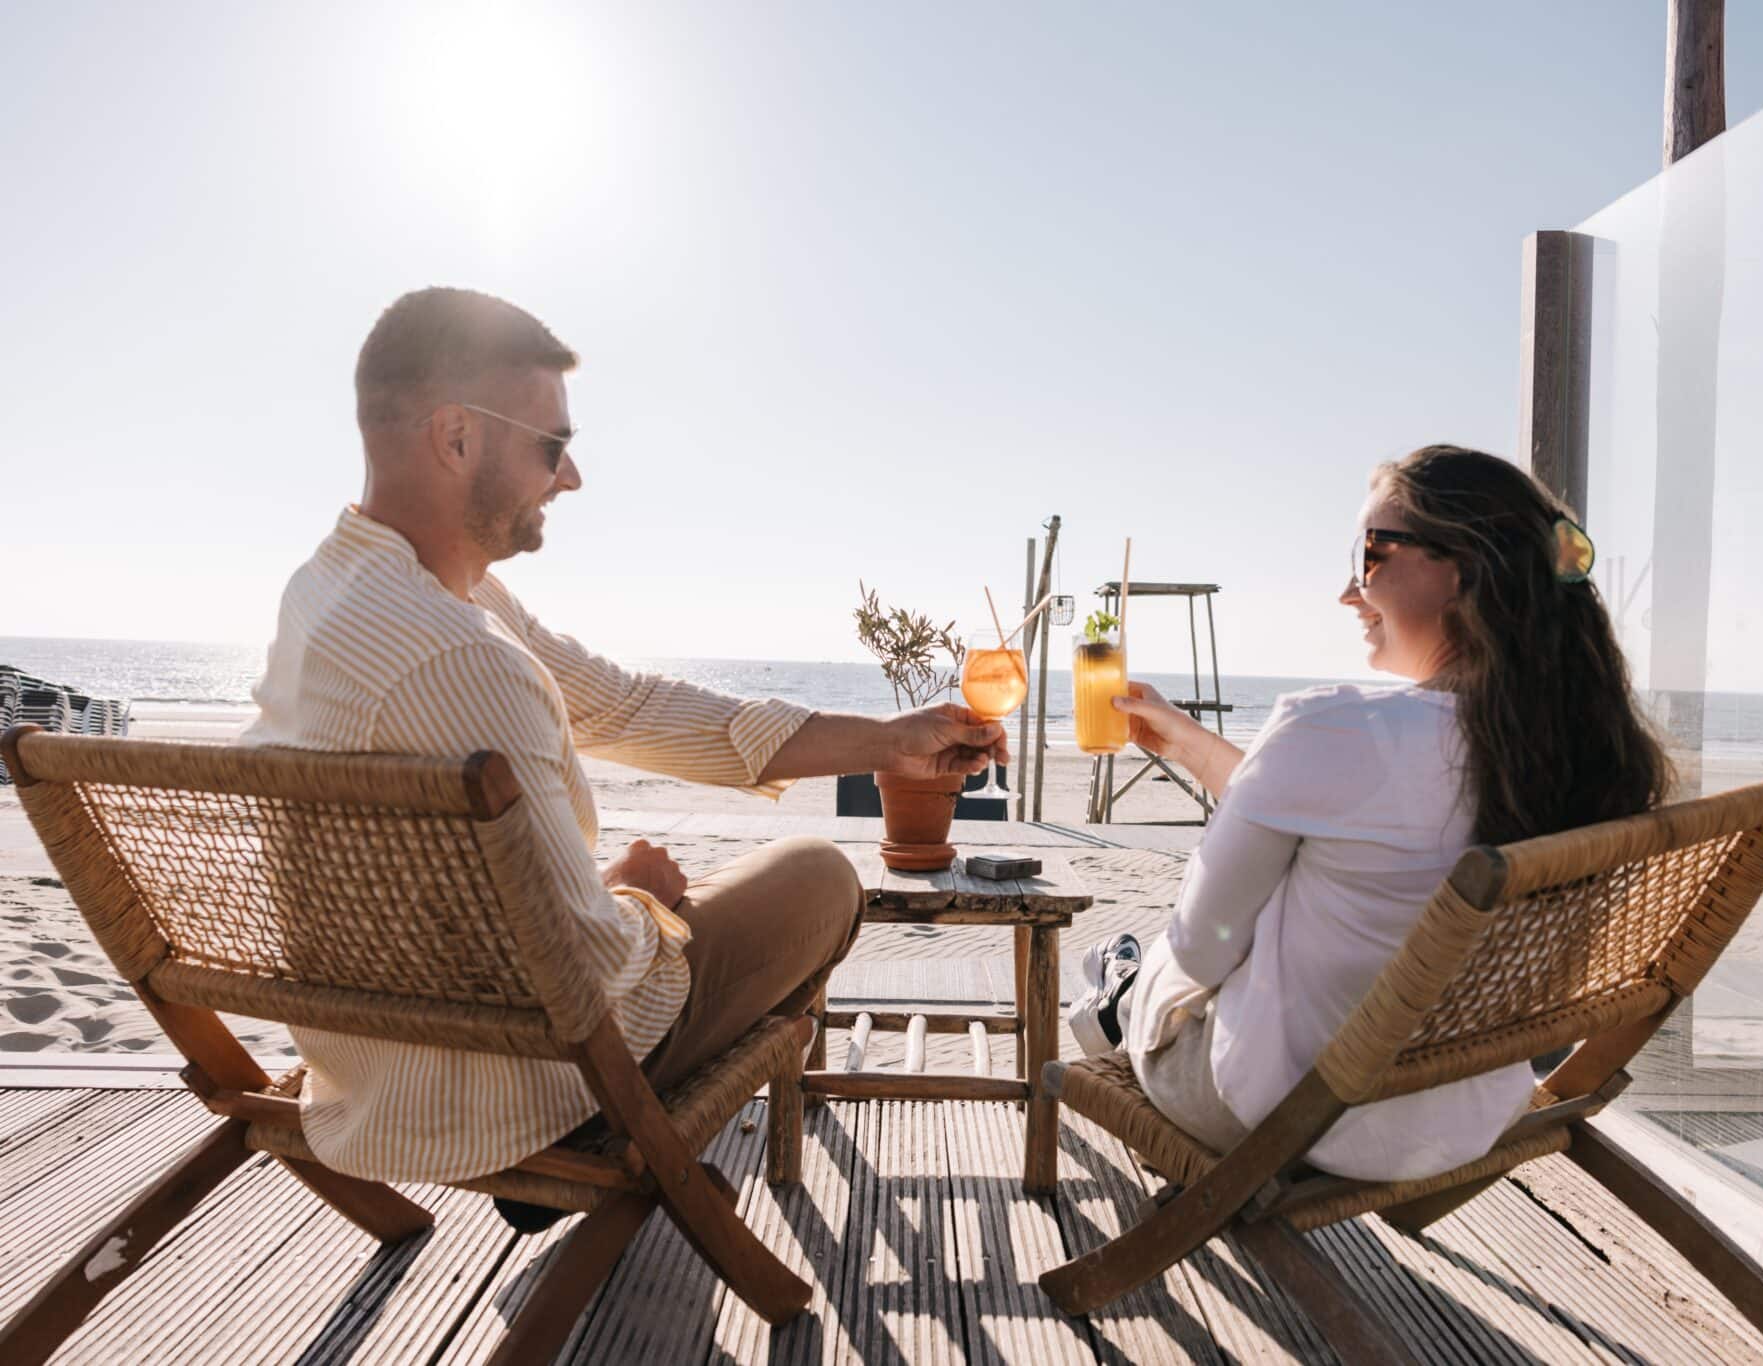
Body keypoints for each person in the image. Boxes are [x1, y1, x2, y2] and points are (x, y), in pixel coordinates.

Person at [243, 287, 1006, 1227]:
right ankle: (635, 1138)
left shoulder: (336, 593)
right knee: (820, 874)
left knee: (693, 885)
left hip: (375, 1064)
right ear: (455, 440)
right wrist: (638, 891)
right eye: (552, 447)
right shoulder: (463, 653)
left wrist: (889, 743)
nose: (570, 480)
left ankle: (643, 1128)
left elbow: (620, 704)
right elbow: (594, 965)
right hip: (527, 1085)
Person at [1072, 445, 1671, 1183]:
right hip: (1458, 1121)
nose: (1348, 593)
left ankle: (1113, 998)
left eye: (1369, 557)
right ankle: (1116, 989)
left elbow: (1201, 949)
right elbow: (1380, 823)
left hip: (1284, 1112)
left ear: (1459, 570)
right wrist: (1199, 751)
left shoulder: (1333, 728)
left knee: (1146, 960)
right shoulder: (1583, 755)